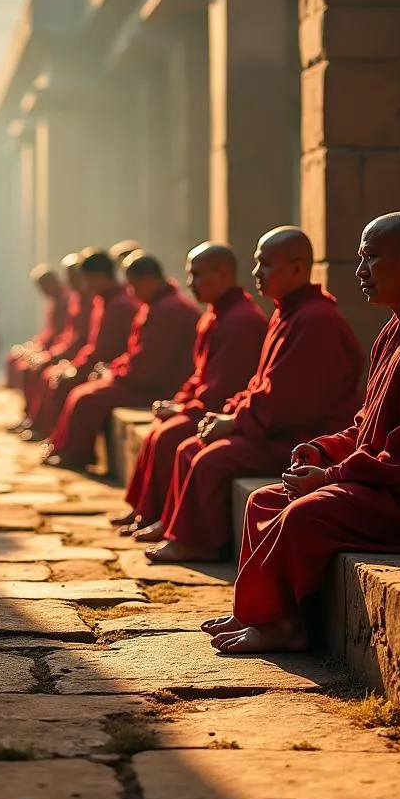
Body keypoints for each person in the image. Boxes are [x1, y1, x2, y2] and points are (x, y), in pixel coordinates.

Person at [204, 212, 400, 654]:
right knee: (262, 501)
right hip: (394, 482)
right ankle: (255, 612)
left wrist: (330, 479)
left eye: (370, 258)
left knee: (304, 514)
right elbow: (368, 425)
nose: (360, 273)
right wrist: (323, 451)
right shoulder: (397, 326)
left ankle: (284, 626)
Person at [144, 227, 364, 562]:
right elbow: (261, 383)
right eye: (257, 264)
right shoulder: (286, 312)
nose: (256, 274)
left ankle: (197, 543)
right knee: (190, 445)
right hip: (272, 424)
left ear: (296, 268)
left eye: (265, 265)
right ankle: (178, 528)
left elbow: (291, 402)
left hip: (303, 437)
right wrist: (231, 413)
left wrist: (234, 422)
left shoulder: (316, 320)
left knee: (208, 458)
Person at [113, 242, 267, 535]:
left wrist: (186, 408)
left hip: (224, 410)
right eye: (189, 274)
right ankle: (146, 510)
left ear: (223, 275)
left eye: (197, 275)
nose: (189, 283)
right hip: (209, 404)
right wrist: (180, 401)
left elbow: (224, 387)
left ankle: (170, 523)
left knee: (171, 437)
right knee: (159, 431)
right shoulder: (213, 315)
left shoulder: (241, 320)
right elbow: (200, 375)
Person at [42, 252, 202, 471]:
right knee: (82, 390)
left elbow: (150, 367)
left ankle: (75, 454)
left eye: (133, 285)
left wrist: (114, 373)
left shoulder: (168, 309)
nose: (130, 291)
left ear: (148, 280)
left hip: (161, 385)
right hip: (142, 377)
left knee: (85, 397)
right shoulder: (154, 305)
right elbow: (136, 353)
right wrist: (114, 369)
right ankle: (63, 447)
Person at [22, 248, 137, 443]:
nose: (83, 285)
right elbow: (81, 340)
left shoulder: (120, 305)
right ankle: (51, 436)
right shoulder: (103, 301)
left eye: (86, 279)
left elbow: (109, 350)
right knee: (54, 376)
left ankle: (67, 449)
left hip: (120, 373)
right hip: (102, 364)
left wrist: (87, 368)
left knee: (77, 394)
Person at [11, 253, 92, 433]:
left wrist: (53, 356)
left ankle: (45, 429)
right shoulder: (75, 300)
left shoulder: (90, 301)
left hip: (80, 358)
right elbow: (61, 335)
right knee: (28, 365)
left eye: (74, 277)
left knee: (48, 374)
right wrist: (39, 348)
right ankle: (32, 419)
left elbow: (84, 342)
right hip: (68, 353)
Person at [5, 264, 70, 392]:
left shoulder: (67, 301)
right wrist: (36, 344)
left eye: (45, 286)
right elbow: (49, 330)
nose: (43, 291)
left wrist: (43, 350)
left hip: (57, 348)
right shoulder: (55, 301)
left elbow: (62, 334)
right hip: (48, 345)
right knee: (13, 357)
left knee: (29, 368)